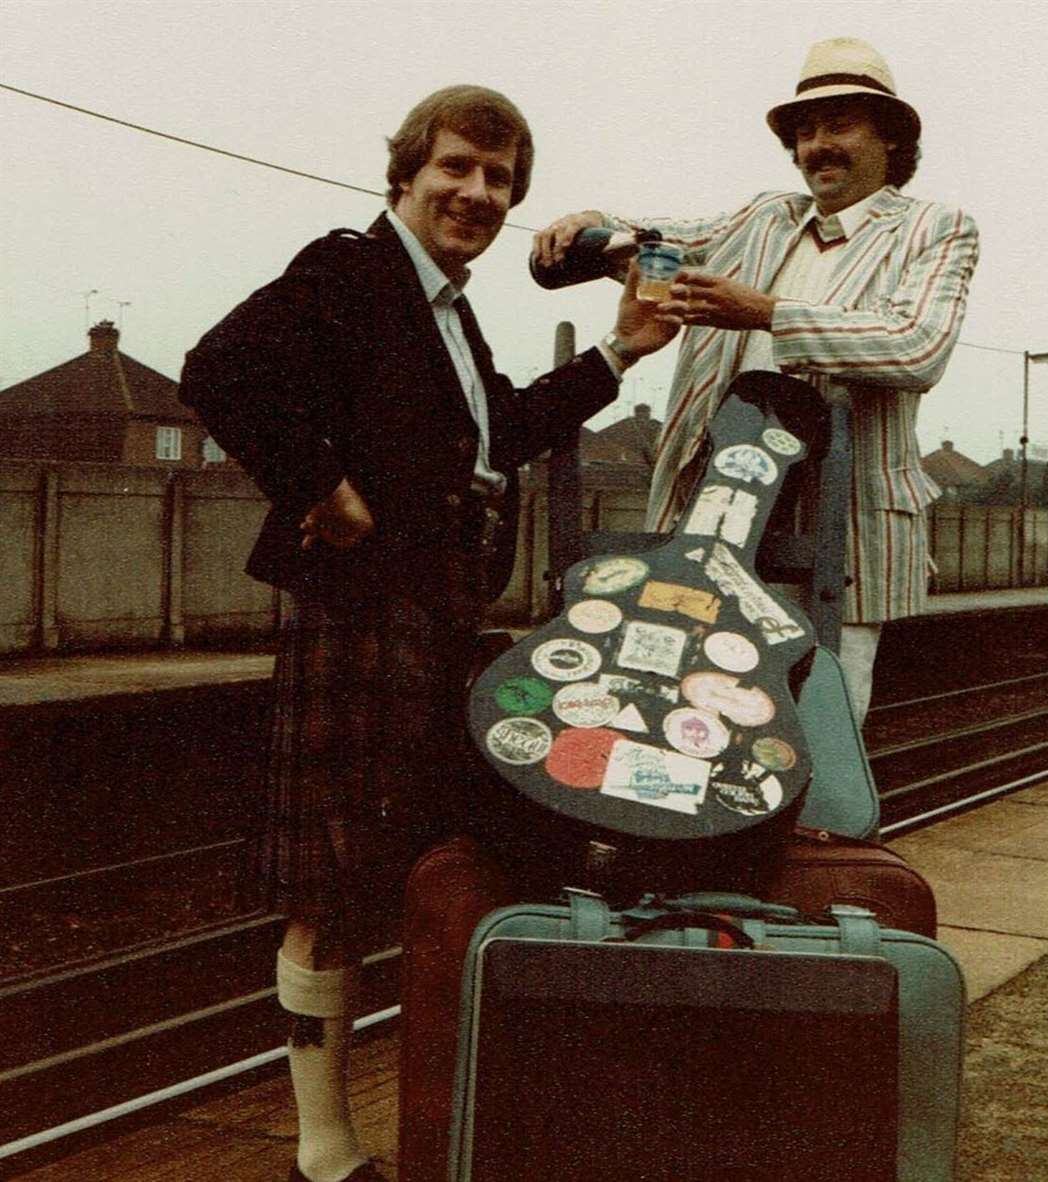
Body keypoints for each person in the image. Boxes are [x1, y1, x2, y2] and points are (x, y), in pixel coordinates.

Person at [179, 85, 676, 1182]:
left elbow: (504, 428)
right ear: (404, 173)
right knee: (333, 884)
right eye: (456, 168)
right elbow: (216, 368)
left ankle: (429, 1118)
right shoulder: (352, 269)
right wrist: (321, 486)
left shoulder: (447, 312)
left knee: (432, 861)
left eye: (498, 180)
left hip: (434, 616)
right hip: (361, 617)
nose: (477, 193)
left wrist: (621, 352)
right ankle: (322, 1152)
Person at [534, 37, 980, 724]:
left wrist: (765, 314)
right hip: (713, 505)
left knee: (816, 708)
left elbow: (916, 346)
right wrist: (597, 223)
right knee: (689, 702)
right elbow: (656, 237)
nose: (816, 146)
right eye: (804, 132)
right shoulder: (763, 217)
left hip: (843, 520)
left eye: (838, 125)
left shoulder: (935, 229)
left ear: (889, 136)